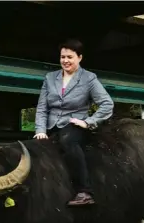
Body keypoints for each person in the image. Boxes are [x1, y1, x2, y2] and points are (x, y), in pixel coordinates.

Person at [34, 39, 114, 206]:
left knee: (67, 142)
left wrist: (89, 122)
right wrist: (40, 130)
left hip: (74, 125)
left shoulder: (89, 78)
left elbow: (107, 104)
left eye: (70, 57)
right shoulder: (50, 78)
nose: (65, 61)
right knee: (33, 147)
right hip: (50, 125)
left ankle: (84, 191)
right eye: (63, 57)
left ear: (80, 57)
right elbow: (42, 108)